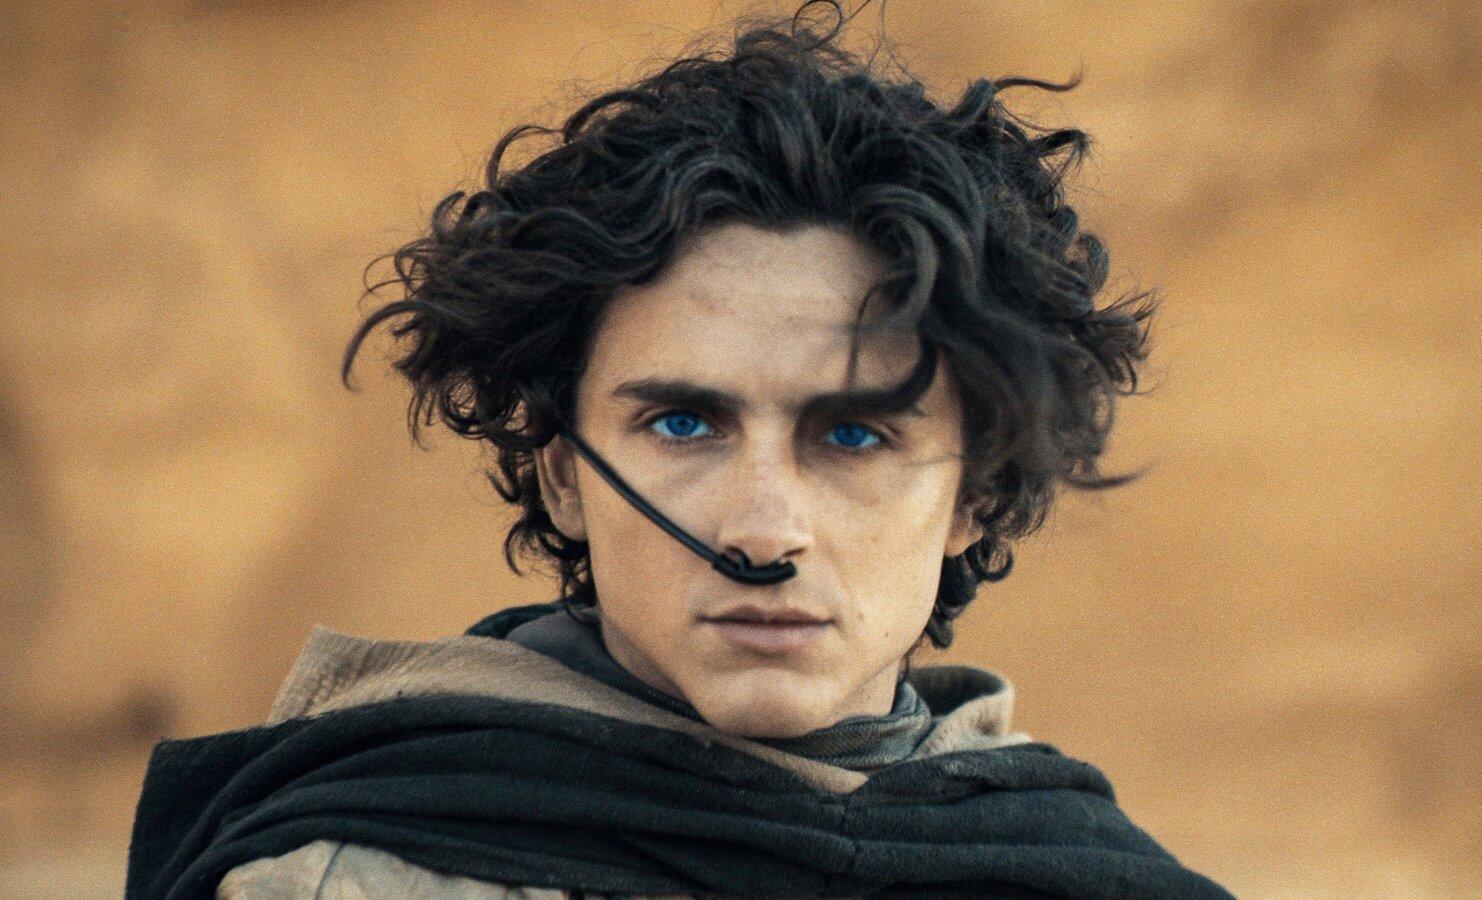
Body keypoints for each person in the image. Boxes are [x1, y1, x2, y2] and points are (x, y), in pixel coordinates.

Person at [125, 4, 1233, 897]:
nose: (764, 534)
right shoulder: (353, 877)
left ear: (974, 495)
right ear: (564, 474)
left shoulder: (1090, 879)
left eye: (853, 433)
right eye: (683, 424)